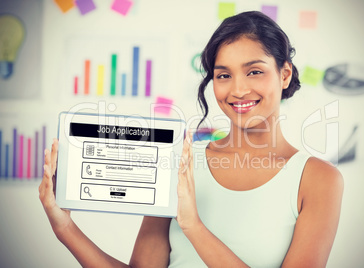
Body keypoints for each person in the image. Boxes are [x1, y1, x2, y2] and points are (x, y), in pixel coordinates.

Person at [39, 11, 343, 268]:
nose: (237, 90)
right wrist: (64, 227)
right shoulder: (180, 162)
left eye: (254, 71)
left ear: (285, 74)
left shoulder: (318, 179)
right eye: (223, 76)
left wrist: (193, 226)